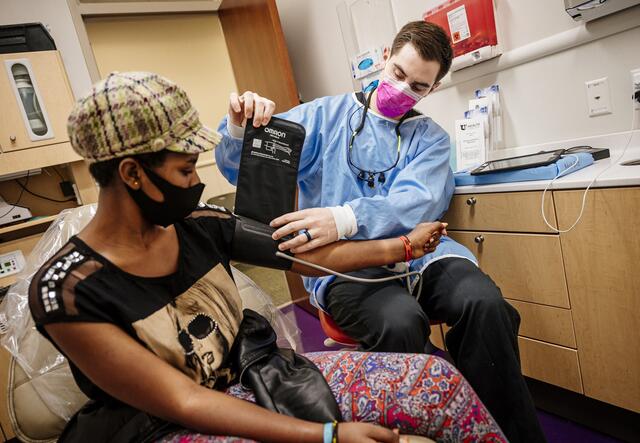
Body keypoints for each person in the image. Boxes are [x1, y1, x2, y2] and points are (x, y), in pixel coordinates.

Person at [29, 72, 506, 443]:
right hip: (162, 423)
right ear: (132, 173)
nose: (198, 183)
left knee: (437, 382)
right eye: (185, 169)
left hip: (256, 374)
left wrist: (402, 247)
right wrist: (327, 434)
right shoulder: (68, 290)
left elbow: (310, 260)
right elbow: (184, 400)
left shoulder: (198, 225)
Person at [215, 21, 546, 443]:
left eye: (419, 87)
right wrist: (242, 129)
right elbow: (248, 165)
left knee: (484, 304)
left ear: (434, 88)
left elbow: (418, 203)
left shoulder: (430, 140)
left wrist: (345, 217)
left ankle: (506, 434)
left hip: (424, 256)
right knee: (400, 321)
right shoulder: (323, 117)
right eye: (398, 74)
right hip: (349, 269)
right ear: (386, 56)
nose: (403, 89)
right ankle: (429, 428)